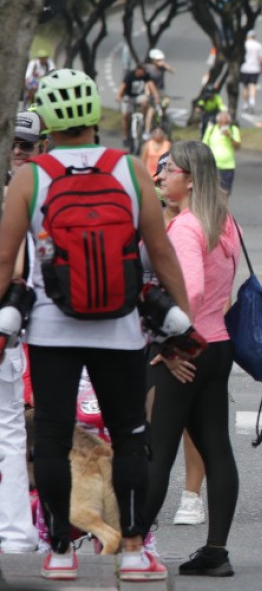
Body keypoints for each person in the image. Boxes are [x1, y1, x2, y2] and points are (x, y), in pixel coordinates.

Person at [0, 69, 192, 581]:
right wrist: (180, 320)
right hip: (121, 327)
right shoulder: (130, 170)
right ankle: (133, 552)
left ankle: (60, 551)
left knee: (54, 440)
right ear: (91, 114)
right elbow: (161, 249)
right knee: (131, 437)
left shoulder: (30, 176)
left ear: (48, 120)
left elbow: (4, 260)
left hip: (50, 330)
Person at [145, 141, 241, 577]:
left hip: (189, 349)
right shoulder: (223, 222)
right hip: (218, 346)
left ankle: (131, 544)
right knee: (217, 448)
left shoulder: (185, 227)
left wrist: (169, 346)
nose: (162, 176)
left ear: (190, 179)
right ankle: (216, 552)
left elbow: (194, 291)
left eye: (169, 170)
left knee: (157, 451)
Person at [0, 111, 48, 556]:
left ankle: (20, 530)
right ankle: (18, 530)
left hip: (31, 329)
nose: (18, 150)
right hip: (17, 329)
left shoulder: (42, 195)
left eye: (27, 144)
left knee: (16, 433)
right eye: (13, 142)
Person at [116, 64, 159, 146]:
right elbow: (123, 87)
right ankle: (125, 136)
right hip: (129, 97)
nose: (143, 74)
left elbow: (151, 85)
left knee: (145, 102)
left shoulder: (146, 75)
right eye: (142, 71)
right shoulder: (130, 76)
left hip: (139, 96)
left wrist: (156, 96)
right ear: (138, 70)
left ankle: (143, 119)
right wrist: (118, 96)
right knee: (125, 116)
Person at [201, 110, 242, 196]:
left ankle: (222, 209)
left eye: (226, 123)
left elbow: (237, 147)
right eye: (221, 123)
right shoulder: (211, 129)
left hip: (227, 167)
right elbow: (204, 145)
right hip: (212, 166)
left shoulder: (233, 130)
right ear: (218, 122)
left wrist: (229, 136)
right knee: (211, 193)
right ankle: (212, 209)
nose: (223, 125)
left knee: (224, 193)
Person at [240, 30, 262, 113]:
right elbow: (261, 59)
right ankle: (252, 101)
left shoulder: (244, 45)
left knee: (245, 86)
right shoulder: (258, 45)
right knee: (253, 86)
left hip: (245, 68)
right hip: (255, 68)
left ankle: (245, 103)